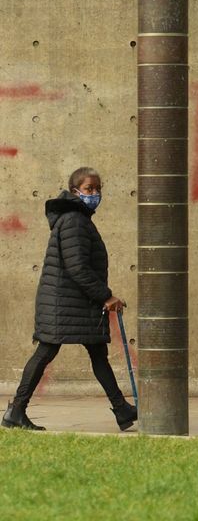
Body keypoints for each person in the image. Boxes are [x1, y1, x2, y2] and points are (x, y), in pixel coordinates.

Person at [3, 167, 137, 431]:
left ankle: (122, 410)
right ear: (75, 191)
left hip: (73, 303)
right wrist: (105, 296)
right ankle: (15, 412)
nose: (95, 194)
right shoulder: (75, 220)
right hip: (63, 304)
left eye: (98, 189)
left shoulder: (77, 218)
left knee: (98, 352)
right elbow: (78, 268)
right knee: (46, 351)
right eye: (89, 189)